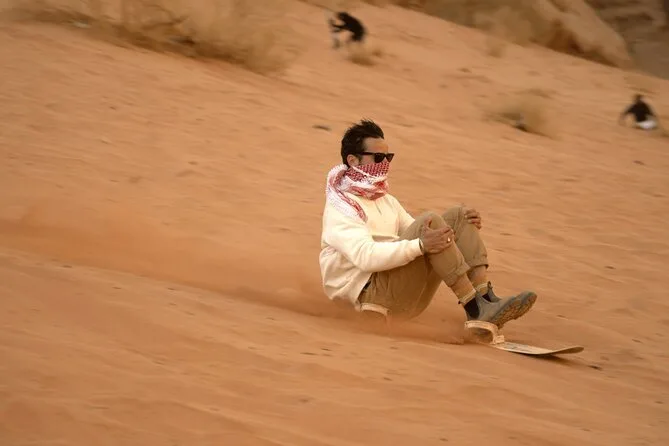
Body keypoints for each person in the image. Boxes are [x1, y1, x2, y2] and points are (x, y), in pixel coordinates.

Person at [319, 119, 537, 328]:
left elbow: (418, 231)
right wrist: (421, 245)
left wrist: (460, 232)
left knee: (459, 216)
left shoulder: (386, 200)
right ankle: (476, 309)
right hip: (369, 298)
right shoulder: (342, 207)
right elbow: (365, 257)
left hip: (400, 295)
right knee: (430, 223)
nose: (384, 164)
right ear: (353, 161)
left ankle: (486, 299)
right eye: (378, 157)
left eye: (388, 157)